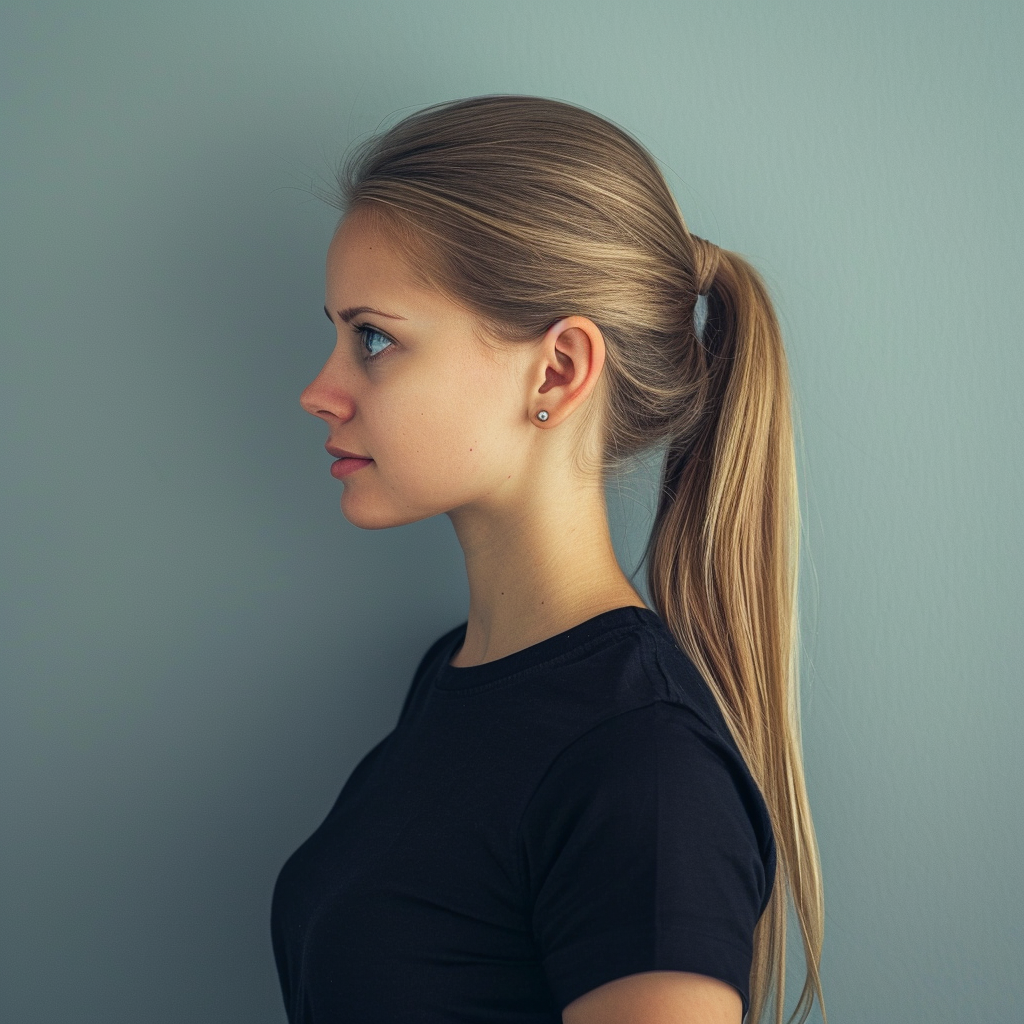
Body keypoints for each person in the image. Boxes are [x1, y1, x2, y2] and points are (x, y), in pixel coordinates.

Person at [270, 94, 827, 1024]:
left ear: (559, 370)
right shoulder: (451, 676)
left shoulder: (643, 767)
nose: (318, 391)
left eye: (373, 338)